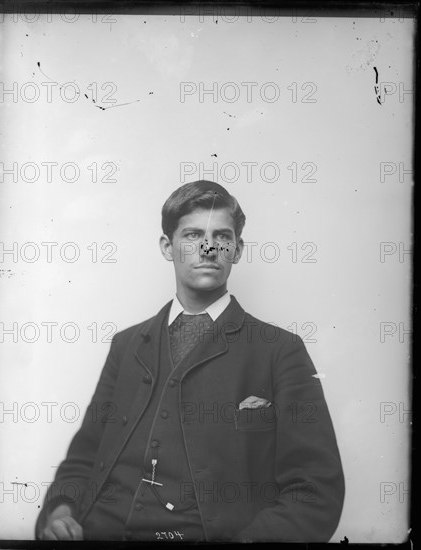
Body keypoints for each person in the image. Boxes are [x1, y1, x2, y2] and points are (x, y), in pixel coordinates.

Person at [36, 180, 344, 542]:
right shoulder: (127, 344)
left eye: (222, 236)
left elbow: (315, 491)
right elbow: (83, 456)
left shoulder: (279, 350)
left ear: (238, 249)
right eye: (193, 235)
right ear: (168, 247)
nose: (209, 247)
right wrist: (61, 512)